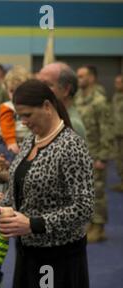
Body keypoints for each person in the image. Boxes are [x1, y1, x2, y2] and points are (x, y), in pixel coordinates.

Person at [0, 79, 93, 288]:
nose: (23, 121)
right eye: (19, 115)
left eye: (27, 115)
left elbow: (84, 208)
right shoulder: (32, 140)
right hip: (28, 251)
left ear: (47, 107)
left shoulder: (71, 145)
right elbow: (19, 189)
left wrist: (33, 224)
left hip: (56, 256)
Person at [76, 65, 113, 242]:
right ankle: (91, 223)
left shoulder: (99, 101)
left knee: (97, 192)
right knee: (86, 192)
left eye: (82, 76)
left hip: (95, 153)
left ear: (92, 78)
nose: (79, 79)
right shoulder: (78, 99)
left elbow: (107, 130)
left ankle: (99, 226)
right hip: (81, 154)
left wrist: (103, 157)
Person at [37, 62, 87, 140]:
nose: (39, 89)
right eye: (38, 84)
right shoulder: (47, 118)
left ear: (66, 90)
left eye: (47, 84)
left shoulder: (72, 124)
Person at [0, 65, 31, 160]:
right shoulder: (7, 107)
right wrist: (11, 142)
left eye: (19, 91)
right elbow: (6, 125)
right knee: (10, 156)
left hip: (26, 140)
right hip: (7, 141)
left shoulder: (31, 105)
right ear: (7, 91)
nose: (16, 95)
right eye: (11, 91)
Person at [111, 74, 123, 192]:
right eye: (116, 82)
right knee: (118, 160)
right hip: (117, 133)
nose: (116, 85)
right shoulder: (115, 97)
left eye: (119, 82)